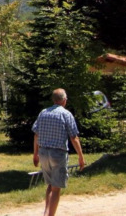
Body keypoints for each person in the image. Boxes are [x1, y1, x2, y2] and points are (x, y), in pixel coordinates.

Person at [32, 88, 85, 216]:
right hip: (58, 154)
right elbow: (74, 137)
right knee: (56, 189)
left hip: (43, 153)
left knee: (50, 185)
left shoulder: (43, 113)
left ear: (53, 100)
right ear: (63, 100)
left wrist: (35, 154)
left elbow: (36, 135)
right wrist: (81, 157)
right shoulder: (66, 114)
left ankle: (46, 213)